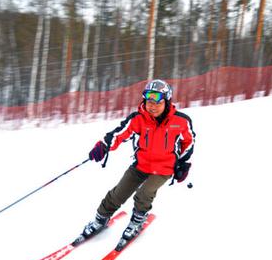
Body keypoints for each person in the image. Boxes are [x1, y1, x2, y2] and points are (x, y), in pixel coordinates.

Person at [76, 79, 195, 249]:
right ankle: (100, 219)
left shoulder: (181, 121)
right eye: (148, 102)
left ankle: (137, 220)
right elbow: (119, 134)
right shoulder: (138, 118)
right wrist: (104, 146)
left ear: (167, 102)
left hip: (163, 168)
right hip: (141, 165)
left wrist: (183, 164)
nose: (152, 106)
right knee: (118, 194)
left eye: (157, 102)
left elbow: (189, 143)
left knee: (144, 193)